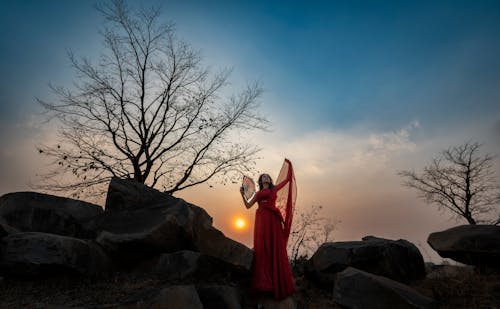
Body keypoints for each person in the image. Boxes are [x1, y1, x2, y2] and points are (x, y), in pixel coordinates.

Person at [240, 159, 296, 300]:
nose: (265, 177)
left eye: (267, 176)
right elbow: (248, 206)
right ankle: (264, 283)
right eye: (263, 176)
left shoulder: (274, 189)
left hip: (273, 219)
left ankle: (277, 281)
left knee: (274, 246)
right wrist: (242, 194)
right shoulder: (258, 194)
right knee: (263, 247)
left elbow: (287, 181)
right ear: (260, 180)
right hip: (261, 219)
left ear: (269, 180)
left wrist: (289, 166)